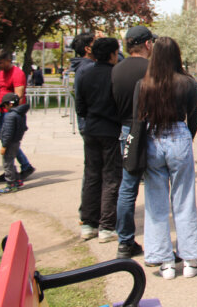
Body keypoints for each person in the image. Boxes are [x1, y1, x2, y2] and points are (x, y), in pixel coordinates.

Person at [133, 36, 197, 280]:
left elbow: (137, 119)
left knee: (156, 202)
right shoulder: (187, 82)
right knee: (184, 200)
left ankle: (165, 262)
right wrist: (186, 137)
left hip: (153, 138)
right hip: (179, 137)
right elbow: (192, 120)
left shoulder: (144, 84)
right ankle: (191, 260)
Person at [111, 25, 155, 260]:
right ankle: (157, 242)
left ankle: (124, 241)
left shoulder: (116, 70)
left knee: (127, 188)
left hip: (127, 130)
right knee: (156, 186)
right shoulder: (152, 69)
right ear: (147, 44)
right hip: (150, 129)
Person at [75, 37, 123, 243]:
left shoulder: (85, 74)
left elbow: (80, 107)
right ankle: (106, 226)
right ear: (112, 54)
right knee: (111, 178)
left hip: (91, 129)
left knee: (92, 175)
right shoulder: (115, 76)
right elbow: (121, 105)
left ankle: (88, 223)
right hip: (110, 131)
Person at [0, 48, 35, 184]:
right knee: (7, 141)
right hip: (3, 112)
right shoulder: (2, 72)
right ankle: (16, 169)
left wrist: (9, 110)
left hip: (11, 114)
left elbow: (19, 97)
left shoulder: (17, 73)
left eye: (0, 63)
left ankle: (20, 169)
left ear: (9, 60)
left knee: (10, 143)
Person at [0, 93, 29, 195]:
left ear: (9, 104)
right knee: (11, 161)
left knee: (7, 163)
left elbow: (8, 132)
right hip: (16, 141)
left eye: (5, 105)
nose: (4, 108)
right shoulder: (21, 114)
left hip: (9, 143)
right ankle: (17, 180)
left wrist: (4, 145)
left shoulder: (10, 116)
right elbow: (25, 128)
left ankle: (11, 184)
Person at [70, 32, 96, 134]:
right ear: (88, 49)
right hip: (91, 125)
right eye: (96, 43)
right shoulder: (89, 68)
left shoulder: (83, 66)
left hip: (88, 124)